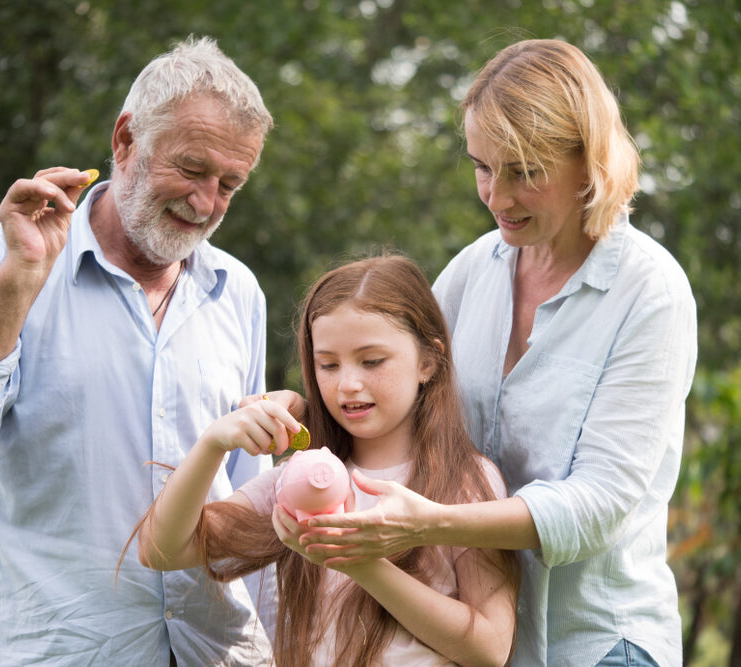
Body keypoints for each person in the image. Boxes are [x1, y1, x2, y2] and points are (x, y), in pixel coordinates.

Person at [296, 40, 698, 667]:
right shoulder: (471, 272)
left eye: (524, 172)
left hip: (598, 641)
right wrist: (295, 415)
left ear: (589, 162)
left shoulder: (649, 292)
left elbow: (600, 505)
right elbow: (394, 397)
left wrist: (429, 523)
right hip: (483, 644)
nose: (496, 197)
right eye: (483, 167)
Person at [0, 36, 282, 665]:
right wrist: (19, 283)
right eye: (192, 169)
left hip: (217, 651)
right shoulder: (0, 259)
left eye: (229, 184)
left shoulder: (238, 291)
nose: (206, 203)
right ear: (126, 140)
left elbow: (247, 494)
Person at [133, 255, 519, 666]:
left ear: (428, 361)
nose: (347, 384)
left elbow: (491, 649)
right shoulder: (300, 479)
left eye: (372, 361)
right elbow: (162, 551)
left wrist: (361, 564)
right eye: (328, 364)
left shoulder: (465, 480)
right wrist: (213, 443)